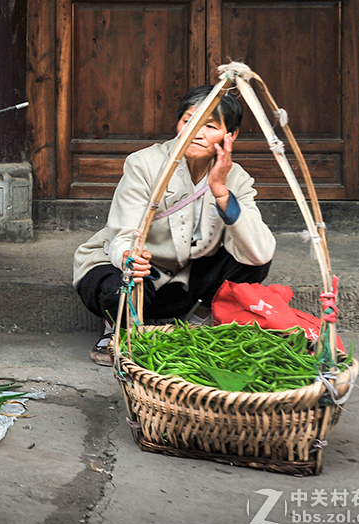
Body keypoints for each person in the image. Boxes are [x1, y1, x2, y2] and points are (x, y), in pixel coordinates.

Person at [73, 84, 276, 365]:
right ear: (178, 123)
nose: (197, 133)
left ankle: (198, 321)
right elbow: (123, 232)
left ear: (231, 136)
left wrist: (220, 191)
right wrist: (130, 258)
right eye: (188, 121)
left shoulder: (236, 178)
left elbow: (260, 252)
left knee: (253, 258)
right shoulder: (143, 164)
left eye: (210, 126)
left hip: (186, 282)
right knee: (117, 287)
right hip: (142, 277)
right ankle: (117, 328)